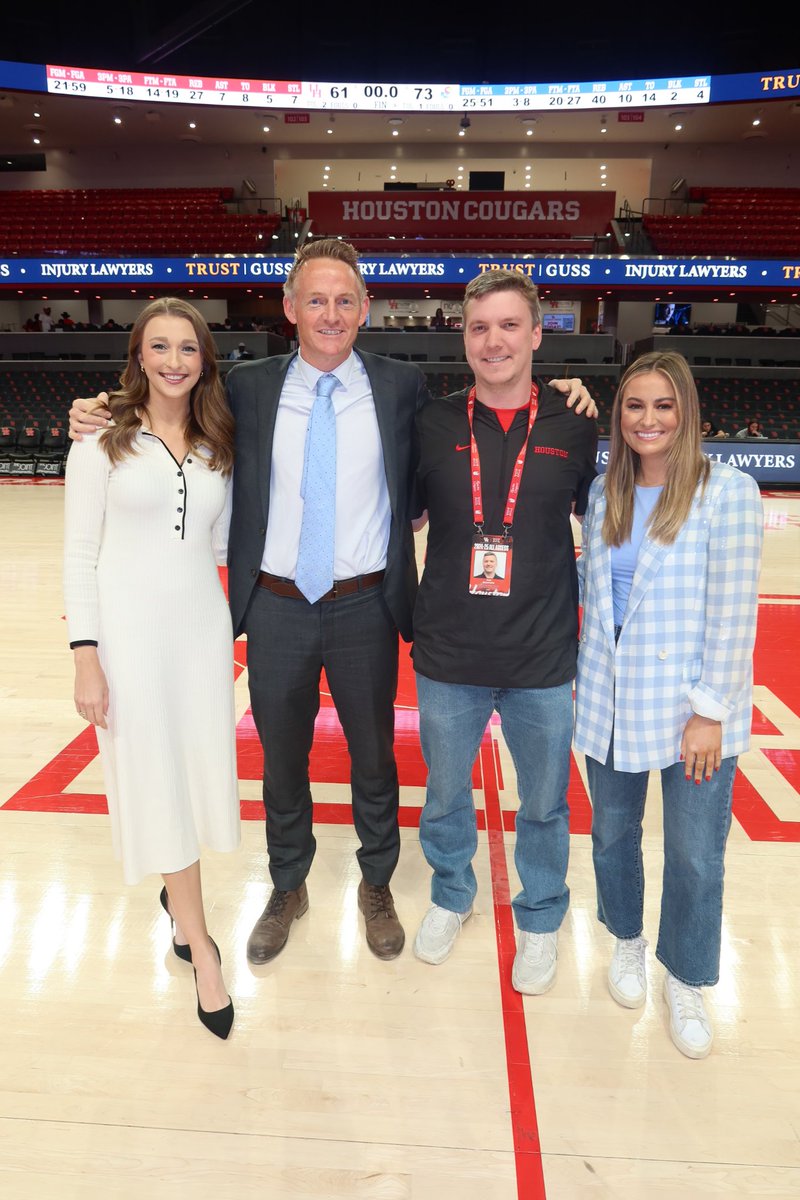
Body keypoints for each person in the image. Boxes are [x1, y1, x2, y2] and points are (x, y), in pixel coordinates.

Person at [68, 240, 595, 967]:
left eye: (345, 300)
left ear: (366, 310)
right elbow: (168, 396)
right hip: (277, 603)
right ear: (288, 309)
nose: (330, 314)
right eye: (314, 299)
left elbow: (497, 401)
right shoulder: (246, 388)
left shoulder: (403, 386)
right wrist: (99, 407)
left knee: (374, 756)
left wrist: (570, 388)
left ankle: (376, 882)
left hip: (366, 603)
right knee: (281, 759)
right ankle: (288, 885)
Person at [411, 269, 598, 995]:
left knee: (546, 804)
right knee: (446, 793)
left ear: (538, 333)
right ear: (464, 337)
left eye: (509, 325)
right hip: (450, 653)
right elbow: (403, 516)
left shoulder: (575, 421)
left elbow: (613, 522)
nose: (495, 340)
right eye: (481, 327)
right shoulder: (430, 423)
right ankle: (451, 894)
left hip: (545, 657)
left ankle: (542, 916)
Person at [573, 350, 763, 1059]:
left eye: (663, 405)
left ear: (686, 413)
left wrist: (711, 710)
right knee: (612, 839)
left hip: (693, 712)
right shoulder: (604, 494)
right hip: (611, 702)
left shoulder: (728, 492)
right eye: (634, 406)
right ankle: (626, 940)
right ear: (618, 416)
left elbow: (733, 613)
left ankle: (685, 977)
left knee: (694, 857)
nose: (647, 420)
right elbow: (599, 603)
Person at [63, 298, 239, 1040]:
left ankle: (180, 906)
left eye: (187, 349)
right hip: (128, 644)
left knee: (192, 780)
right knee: (156, 784)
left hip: (201, 640)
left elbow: (220, 549)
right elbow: (79, 555)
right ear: (137, 356)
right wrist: (87, 659)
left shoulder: (218, 445)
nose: (173, 361)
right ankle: (201, 948)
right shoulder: (98, 441)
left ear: (204, 360)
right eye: (159, 347)